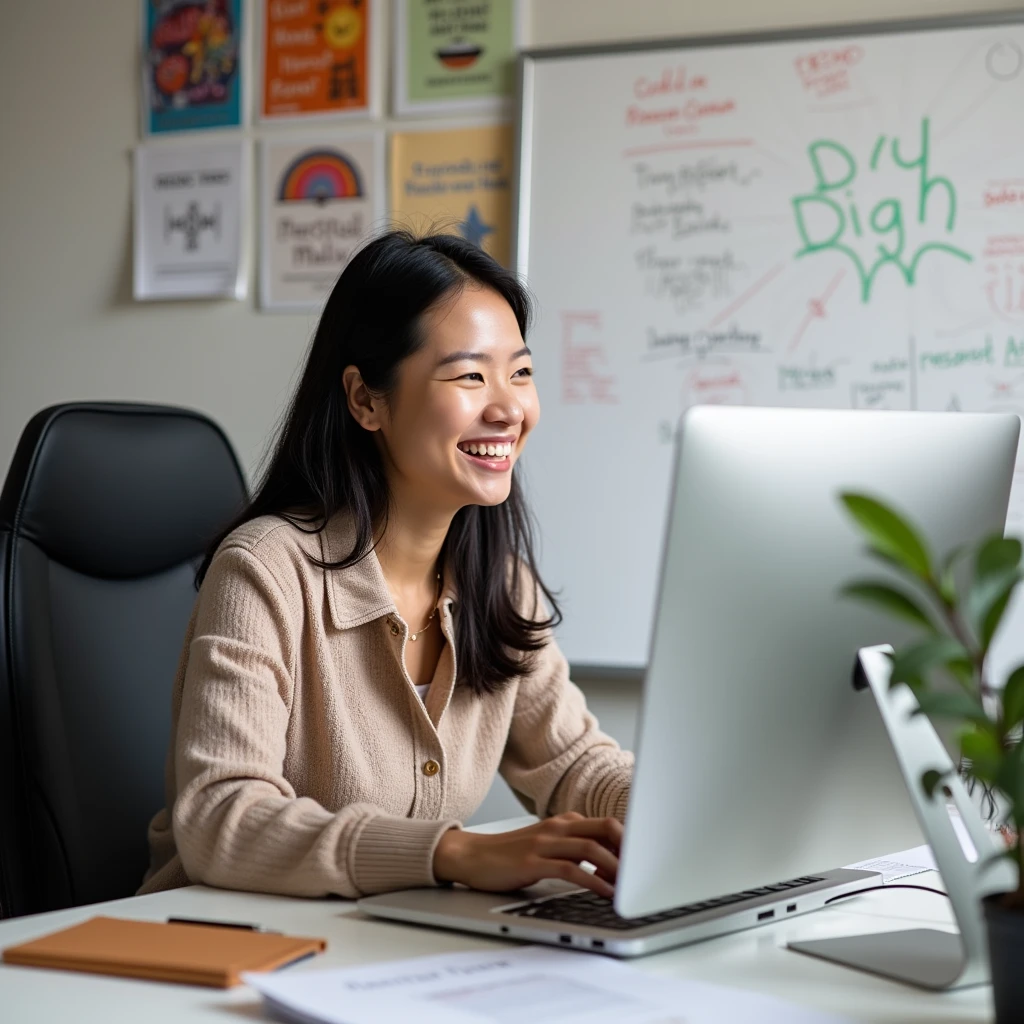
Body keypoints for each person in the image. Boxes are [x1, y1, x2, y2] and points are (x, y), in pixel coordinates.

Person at [139, 231, 633, 902]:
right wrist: (451, 853)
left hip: (390, 953)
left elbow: (577, 765)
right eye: (470, 375)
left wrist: (678, 815)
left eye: (520, 372)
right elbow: (221, 816)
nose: (509, 407)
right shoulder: (265, 570)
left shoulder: (498, 579)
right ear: (366, 399)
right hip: (225, 953)